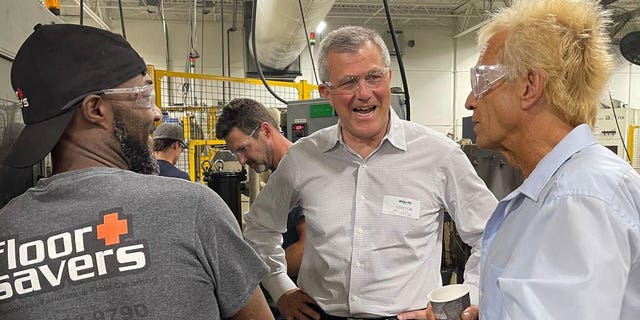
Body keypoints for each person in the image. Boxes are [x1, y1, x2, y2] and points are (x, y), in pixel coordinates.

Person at [0, 23, 272, 320]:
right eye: (143, 95)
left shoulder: (6, 228)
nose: (156, 113)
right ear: (96, 109)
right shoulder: (190, 208)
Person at [243, 25, 497, 319]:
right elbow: (259, 230)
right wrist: (281, 289)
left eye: (373, 77)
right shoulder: (303, 158)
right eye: (348, 82)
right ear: (327, 92)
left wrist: (460, 305)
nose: (363, 93)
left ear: (388, 78)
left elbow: (491, 235)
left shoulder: (439, 156)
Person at [463, 0, 640, 319]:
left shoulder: (578, 200)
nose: (470, 101)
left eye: (482, 81)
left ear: (530, 87)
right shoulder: (558, 192)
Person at [215, 98, 306, 318]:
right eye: (236, 153)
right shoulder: (278, 180)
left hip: (301, 301)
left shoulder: (302, 174)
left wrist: (264, 276)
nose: (242, 160)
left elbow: (308, 249)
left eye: (243, 148)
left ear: (265, 130)